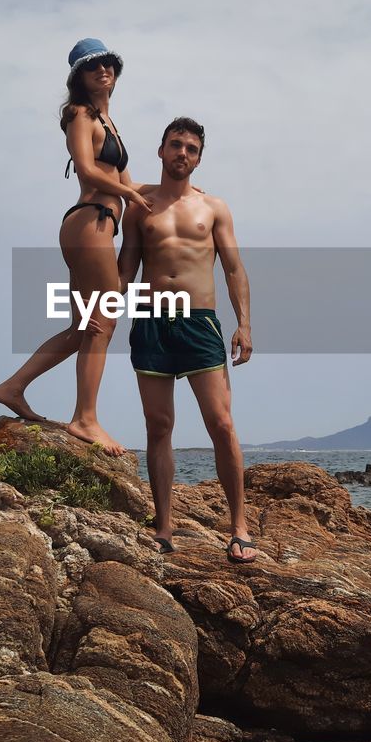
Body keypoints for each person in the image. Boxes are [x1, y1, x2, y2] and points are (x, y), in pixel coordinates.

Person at [0, 39, 152, 455]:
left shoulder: (110, 123)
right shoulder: (79, 115)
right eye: (93, 66)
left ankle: (13, 387)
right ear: (79, 77)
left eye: (108, 65)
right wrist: (130, 198)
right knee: (105, 321)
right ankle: (86, 419)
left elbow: (130, 184)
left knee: (84, 327)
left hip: (95, 224)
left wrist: (180, 193)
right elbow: (85, 168)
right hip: (91, 222)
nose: (103, 71)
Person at [117, 117, 257, 564]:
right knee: (158, 427)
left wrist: (245, 325)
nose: (182, 153)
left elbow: (234, 269)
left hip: (199, 323)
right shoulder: (139, 207)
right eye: (175, 145)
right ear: (160, 151)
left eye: (191, 148)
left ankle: (239, 528)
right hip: (152, 320)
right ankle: (162, 528)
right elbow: (125, 266)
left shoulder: (213, 207)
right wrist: (99, 308)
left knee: (221, 423)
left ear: (198, 158)